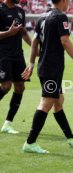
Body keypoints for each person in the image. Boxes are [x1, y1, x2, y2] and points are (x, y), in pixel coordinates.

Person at [21, 0, 73, 154]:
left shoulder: (42, 16)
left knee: (59, 101)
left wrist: (31, 64)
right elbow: (65, 40)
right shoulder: (60, 17)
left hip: (45, 65)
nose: (69, 3)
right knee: (47, 102)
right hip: (52, 67)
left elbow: (35, 42)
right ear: (63, 0)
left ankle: (71, 138)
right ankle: (30, 142)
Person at [0, 0, 31, 134]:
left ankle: (8, 124)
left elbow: (23, 32)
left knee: (20, 87)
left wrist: (35, 49)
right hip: (3, 54)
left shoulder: (20, 11)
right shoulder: (0, 9)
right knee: (6, 86)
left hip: (18, 55)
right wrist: (8, 33)